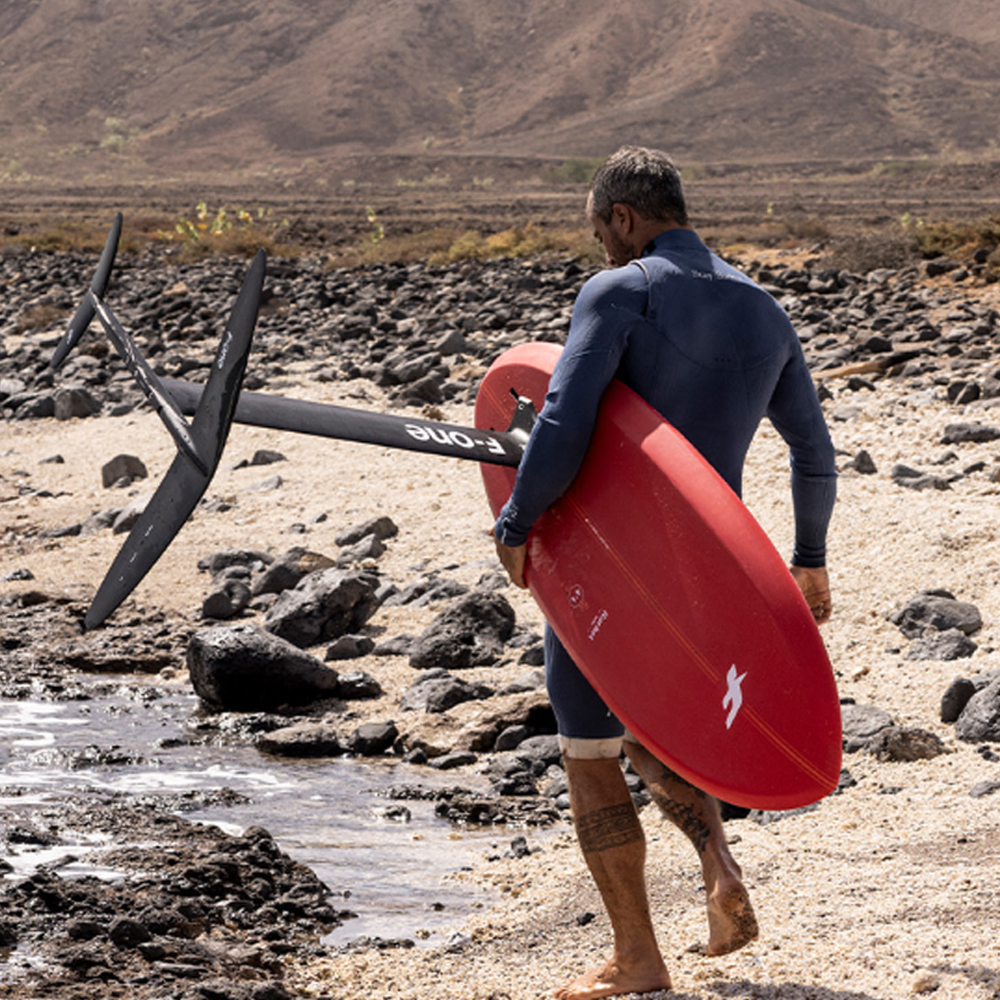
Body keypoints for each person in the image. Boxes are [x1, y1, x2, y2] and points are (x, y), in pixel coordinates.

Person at [492, 145, 837, 1000]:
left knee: (591, 751)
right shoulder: (764, 308)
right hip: (713, 570)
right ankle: (720, 870)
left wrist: (517, 522)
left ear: (622, 217)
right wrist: (809, 560)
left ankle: (637, 960)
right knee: (667, 725)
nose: (602, 250)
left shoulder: (623, 291)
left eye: (600, 232)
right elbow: (814, 453)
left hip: (618, 565)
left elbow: (565, 421)